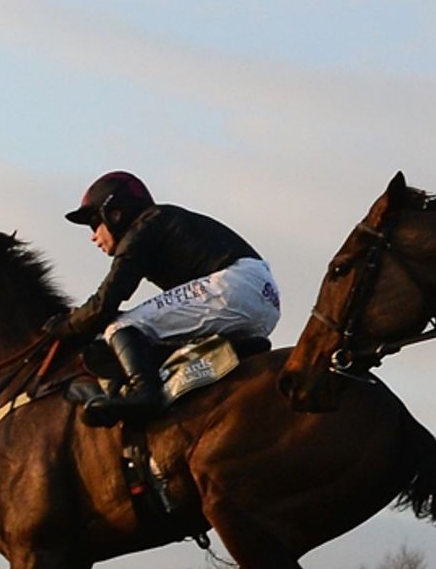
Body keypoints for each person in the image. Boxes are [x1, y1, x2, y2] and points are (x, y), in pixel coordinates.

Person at [44, 172, 281, 424]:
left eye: (94, 225)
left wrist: (66, 326)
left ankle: (144, 394)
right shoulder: (160, 222)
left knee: (121, 327)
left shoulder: (143, 228)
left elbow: (106, 301)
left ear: (115, 214)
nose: (93, 236)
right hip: (266, 303)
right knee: (147, 332)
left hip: (234, 287)